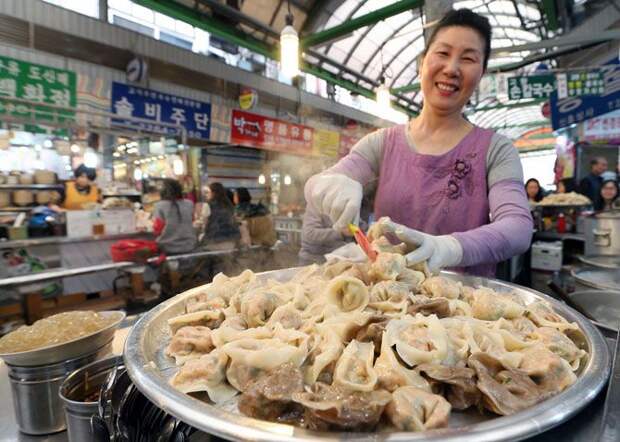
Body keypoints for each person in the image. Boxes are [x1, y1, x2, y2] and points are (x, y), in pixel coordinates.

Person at [305, 9, 532, 277]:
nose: (451, 69)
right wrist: (330, 185)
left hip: (467, 309)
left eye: (468, 58)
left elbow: (517, 227)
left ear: (481, 74)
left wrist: (448, 248)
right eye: (443, 53)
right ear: (421, 62)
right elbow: (320, 183)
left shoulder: (496, 150)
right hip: (388, 303)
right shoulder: (381, 143)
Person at [152, 179, 197, 255]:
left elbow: (157, 229)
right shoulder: (189, 203)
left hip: (167, 248)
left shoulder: (159, 205)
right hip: (189, 246)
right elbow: (192, 221)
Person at [200, 182, 240, 250]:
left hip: (214, 242)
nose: (206, 195)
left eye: (208, 192)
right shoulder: (229, 205)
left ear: (213, 193)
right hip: (232, 241)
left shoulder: (208, 205)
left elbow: (204, 224)